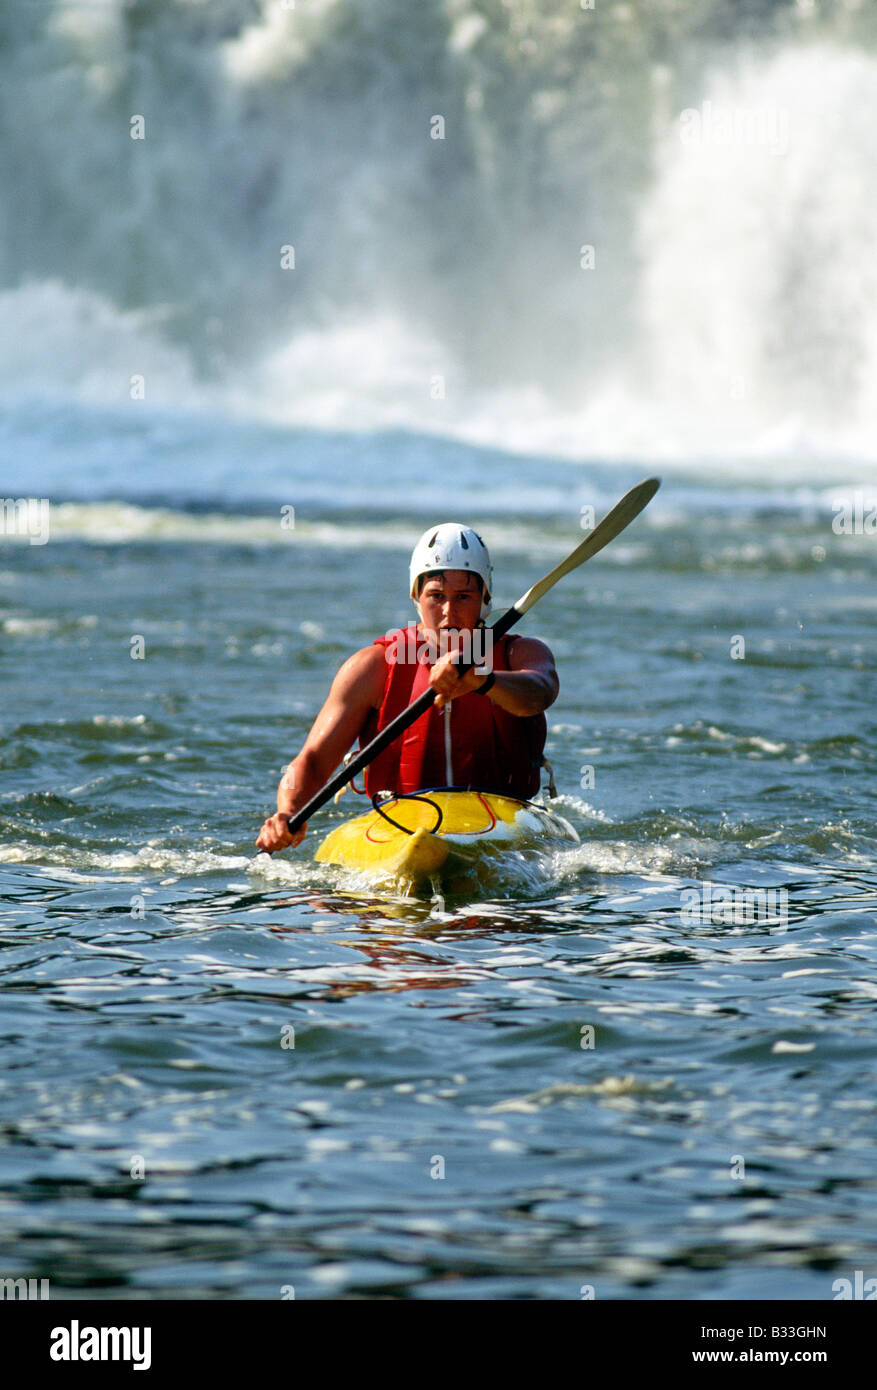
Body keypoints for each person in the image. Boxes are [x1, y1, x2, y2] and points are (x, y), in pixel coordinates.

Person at [255, 523, 558, 853]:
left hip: (503, 815)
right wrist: (287, 811)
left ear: (485, 599)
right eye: (436, 596)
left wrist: (481, 680)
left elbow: (540, 692)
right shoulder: (373, 667)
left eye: (464, 597)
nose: (449, 612)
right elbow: (312, 762)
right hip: (400, 821)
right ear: (416, 597)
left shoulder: (520, 653)